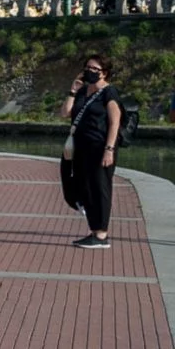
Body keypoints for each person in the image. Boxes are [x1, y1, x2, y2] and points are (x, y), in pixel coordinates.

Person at [64, 56, 123, 250]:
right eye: (87, 67)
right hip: (80, 148)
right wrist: (72, 91)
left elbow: (115, 122)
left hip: (100, 147)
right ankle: (94, 228)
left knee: (100, 188)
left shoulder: (109, 92)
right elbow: (65, 113)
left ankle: (101, 234)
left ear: (104, 72)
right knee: (81, 186)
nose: (89, 70)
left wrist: (109, 149)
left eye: (94, 68)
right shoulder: (82, 91)